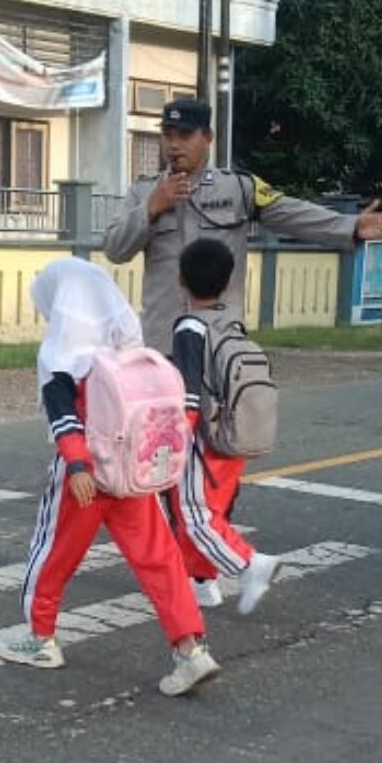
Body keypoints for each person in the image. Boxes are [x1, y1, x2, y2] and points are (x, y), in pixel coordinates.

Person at [0, 257, 221, 698]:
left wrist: (77, 463)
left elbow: (63, 418)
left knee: (53, 555)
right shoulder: (129, 355)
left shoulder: (62, 359)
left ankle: (41, 639)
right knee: (159, 559)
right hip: (134, 476)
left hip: (85, 479)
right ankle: (190, 649)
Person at [103, 98, 382, 354]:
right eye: (168, 135)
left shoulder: (237, 188)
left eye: (185, 134)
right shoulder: (143, 192)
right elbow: (115, 249)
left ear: (207, 137)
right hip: (164, 342)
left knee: (222, 421)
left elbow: (290, 212)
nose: (174, 144)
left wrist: (349, 226)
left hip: (220, 341)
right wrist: (152, 208)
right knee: (167, 423)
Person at [168, 238, 279, 614]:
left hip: (201, 437)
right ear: (228, 282)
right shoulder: (232, 323)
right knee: (211, 511)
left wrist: (174, 439)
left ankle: (251, 565)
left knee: (194, 515)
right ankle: (203, 584)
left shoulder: (188, 328)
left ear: (181, 280)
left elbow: (187, 391)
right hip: (234, 433)